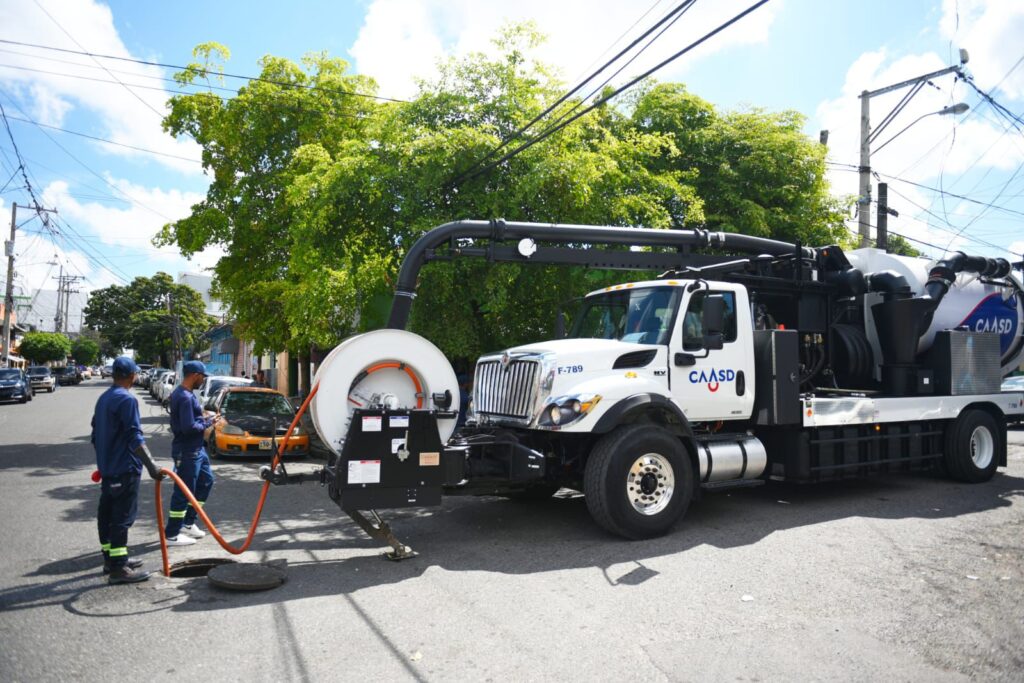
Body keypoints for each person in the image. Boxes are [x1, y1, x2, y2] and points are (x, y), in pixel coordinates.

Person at [91, 356, 165, 584]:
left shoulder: (104, 398)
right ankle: (118, 569)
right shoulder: (127, 399)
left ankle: (111, 559)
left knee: (107, 515)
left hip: (109, 468)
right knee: (121, 518)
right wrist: (152, 466)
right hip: (124, 468)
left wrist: (105, 460)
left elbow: (95, 434)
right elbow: (134, 436)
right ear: (132, 376)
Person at [164, 360, 221, 546]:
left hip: (197, 450)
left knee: (206, 482)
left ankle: (187, 523)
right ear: (195, 375)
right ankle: (172, 534)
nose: (203, 381)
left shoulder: (185, 394)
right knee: (183, 492)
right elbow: (188, 428)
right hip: (187, 451)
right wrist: (209, 422)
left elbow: (191, 420)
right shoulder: (185, 397)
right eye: (202, 377)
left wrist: (204, 417)